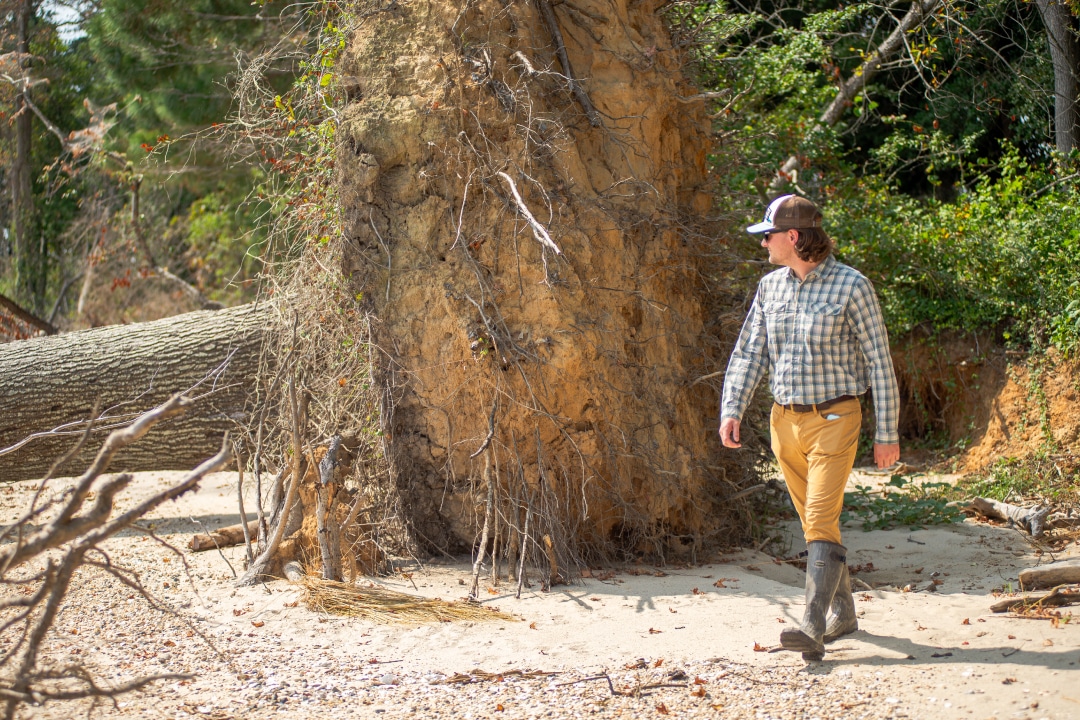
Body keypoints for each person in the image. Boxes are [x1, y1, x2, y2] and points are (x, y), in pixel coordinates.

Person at [718, 194, 900, 661]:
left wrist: (887, 433)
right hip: (785, 423)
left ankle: (812, 623)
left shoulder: (852, 287)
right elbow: (749, 352)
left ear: (793, 237)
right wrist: (731, 408)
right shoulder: (770, 288)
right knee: (816, 523)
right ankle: (845, 613)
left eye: (768, 235)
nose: (764, 243)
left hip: (837, 418)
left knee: (818, 518)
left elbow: (880, 362)